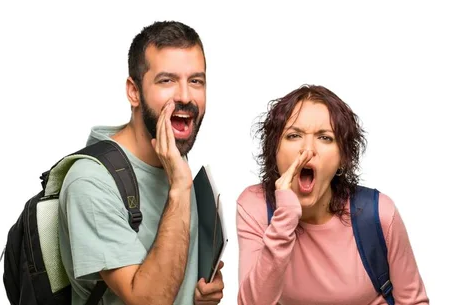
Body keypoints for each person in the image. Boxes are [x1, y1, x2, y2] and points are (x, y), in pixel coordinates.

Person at [58, 20, 224, 305]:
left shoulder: (172, 157)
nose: (185, 96)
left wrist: (197, 294)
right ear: (134, 92)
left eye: (196, 81)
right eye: (167, 80)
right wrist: (181, 187)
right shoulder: (91, 182)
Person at [236, 84, 429, 304]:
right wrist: (285, 216)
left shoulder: (380, 214)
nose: (308, 150)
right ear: (274, 151)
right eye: (293, 135)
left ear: (342, 158)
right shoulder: (255, 206)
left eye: (325, 138)